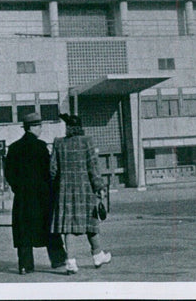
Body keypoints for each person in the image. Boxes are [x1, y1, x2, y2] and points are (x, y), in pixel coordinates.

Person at [4, 112, 66, 274]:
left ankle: (25, 265)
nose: (41, 129)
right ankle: (58, 260)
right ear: (33, 127)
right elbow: (49, 171)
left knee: (24, 231)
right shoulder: (40, 147)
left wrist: (17, 188)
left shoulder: (14, 147)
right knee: (49, 228)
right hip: (42, 196)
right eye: (39, 126)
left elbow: (9, 173)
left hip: (23, 197)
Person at [50, 113, 111, 275]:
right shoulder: (87, 142)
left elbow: (52, 170)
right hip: (85, 190)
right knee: (91, 223)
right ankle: (97, 255)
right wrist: (100, 187)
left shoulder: (58, 143)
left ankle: (70, 262)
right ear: (80, 127)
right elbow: (93, 168)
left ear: (68, 128)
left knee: (68, 227)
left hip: (65, 192)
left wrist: (57, 186)